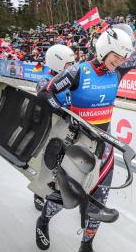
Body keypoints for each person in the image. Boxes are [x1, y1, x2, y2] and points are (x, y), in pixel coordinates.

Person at [35, 5, 136, 252]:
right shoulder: (77, 71)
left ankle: (87, 244)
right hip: (76, 143)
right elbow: (47, 93)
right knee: (66, 193)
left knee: (100, 196)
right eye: (117, 56)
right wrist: (61, 111)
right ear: (104, 50)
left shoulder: (117, 72)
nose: (120, 61)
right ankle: (43, 220)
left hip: (103, 144)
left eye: (122, 58)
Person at [33, 44, 76, 212]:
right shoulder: (45, 79)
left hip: (67, 126)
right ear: (57, 63)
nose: (71, 68)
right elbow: (44, 96)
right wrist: (62, 111)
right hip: (51, 125)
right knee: (47, 159)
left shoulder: (70, 77)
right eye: (68, 64)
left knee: (65, 160)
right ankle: (38, 192)